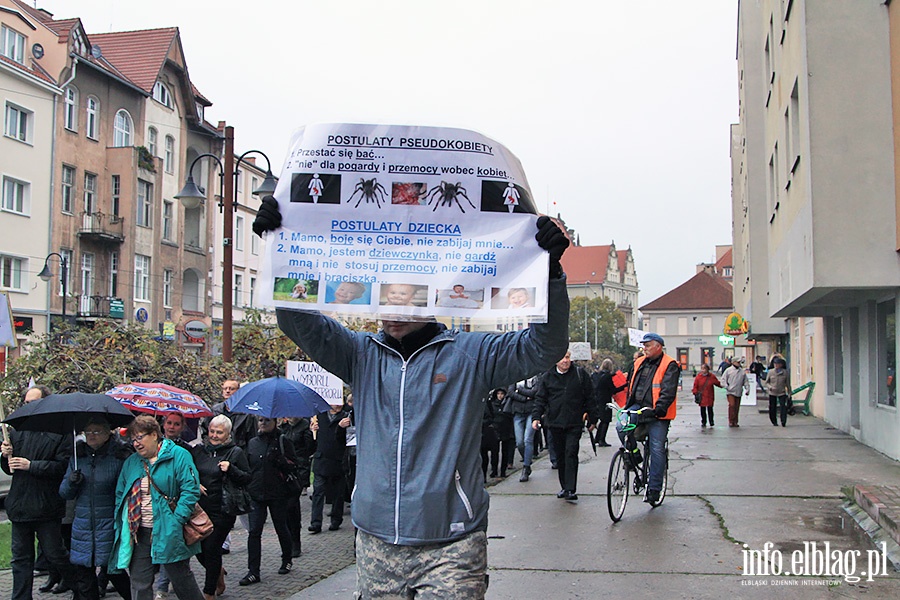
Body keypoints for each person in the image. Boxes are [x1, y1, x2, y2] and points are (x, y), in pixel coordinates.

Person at [254, 196, 569, 598]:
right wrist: (279, 247)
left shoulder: (470, 355)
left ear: (431, 291)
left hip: (452, 541)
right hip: (376, 541)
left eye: (405, 293)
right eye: (386, 294)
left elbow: (544, 346)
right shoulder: (359, 354)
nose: (394, 306)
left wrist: (550, 274)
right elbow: (298, 319)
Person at [110, 415, 204, 600]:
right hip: (139, 532)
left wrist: (176, 521)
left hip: (169, 530)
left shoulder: (178, 455)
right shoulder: (132, 462)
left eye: (140, 437)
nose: (136, 443)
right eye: (133, 439)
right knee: (139, 582)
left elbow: (190, 490)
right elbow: (121, 494)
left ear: (154, 434)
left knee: (181, 580)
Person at [1, 385, 78, 600]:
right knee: (20, 559)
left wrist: (31, 465)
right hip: (19, 505)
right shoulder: (18, 431)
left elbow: (62, 467)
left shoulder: (61, 432)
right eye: (26, 403)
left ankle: (81, 587)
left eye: (33, 402)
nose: (29, 406)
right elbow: (10, 469)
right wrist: (5, 455)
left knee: (56, 554)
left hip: (46, 506)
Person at [59, 418, 133, 600]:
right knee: (85, 578)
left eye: (96, 431)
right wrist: (71, 482)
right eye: (88, 432)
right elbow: (64, 493)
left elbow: (126, 491)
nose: (91, 436)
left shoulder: (118, 457)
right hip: (83, 527)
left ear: (108, 433)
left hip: (108, 524)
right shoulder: (78, 458)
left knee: (115, 572)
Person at [190, 415, 251, 600]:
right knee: (199, 550)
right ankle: (217, 571)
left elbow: (247, 477)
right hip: (200, 509)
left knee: (212, 549)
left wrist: (231, 469)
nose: (215, 436)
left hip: (223, 510)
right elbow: (188, 470)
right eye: (212, 431)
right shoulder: (199, 451)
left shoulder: (235, 452)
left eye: (219, 432)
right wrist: (195, 483)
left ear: (227, 434)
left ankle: (209, 593)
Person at [617, 333, 679, 505]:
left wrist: (658, 409)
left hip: (658, 412)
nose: (644, 348)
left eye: (648, 345)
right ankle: (635, 455)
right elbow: (630, 386)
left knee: (657, 448)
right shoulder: (638, 363)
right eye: (643, 345)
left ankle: (654, 488)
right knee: (620, 426)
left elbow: (668, 391)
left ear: (658, 346)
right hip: (637, 407)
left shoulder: (670, 365)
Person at [531, 351, 599, 502]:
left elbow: (590, 397)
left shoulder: (580, 375)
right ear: (555, 361)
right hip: (555, 423)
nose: (565, 361)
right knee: (560, 456)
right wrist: (536, 417)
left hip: (574, 422)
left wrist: (593, 419)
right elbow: (540, 399)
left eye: (567, 357)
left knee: (571, 453)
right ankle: (564, 486)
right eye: (562, 358)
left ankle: (570, 488)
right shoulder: (547, 377)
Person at [240, 417, 297, 586]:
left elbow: (294, 464)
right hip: (257, 493)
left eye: (266, 421)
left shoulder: (282, 440)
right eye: (260, 420)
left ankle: (287, 558)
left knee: (281, 526)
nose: (262, 424)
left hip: (277, 492)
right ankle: (253, 571)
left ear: (274, 422)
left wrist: (279, 460)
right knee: (254, 531)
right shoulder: (252, 443)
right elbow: (248, 467)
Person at [308, 404, 351, 534]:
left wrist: (342, 428)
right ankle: (315, 522)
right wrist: (312, 431)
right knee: (318, 492)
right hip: (321, 461)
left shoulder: (346, 417)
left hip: (338, 461)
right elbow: (312, 442)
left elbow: (347, 439)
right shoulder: (319, 417)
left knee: (338, 493)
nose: (337, 405)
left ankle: (336, 519)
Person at [279, 416, 315, 558]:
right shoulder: (283, 428)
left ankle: (295, 541)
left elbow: (309, 449)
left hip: (298, 470)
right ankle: (288, 542)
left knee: (292, 506)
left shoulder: (304, 426)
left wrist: (313, 434)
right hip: (283, 471)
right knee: (284, 509)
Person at [204, 380, 257, 451]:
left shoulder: (247, 414)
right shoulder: (215, 410)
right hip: (216, 452)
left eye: (231, 389)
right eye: (225, 388)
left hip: (238, 453)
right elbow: (205, 431)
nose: (227, 391)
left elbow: (252, 438)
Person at [506, 376, 539, 482]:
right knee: (519, 442)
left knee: (527, 439)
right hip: (517, 411)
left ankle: (525, 467)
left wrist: (519, 390)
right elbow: (510, 392)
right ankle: (527, 460)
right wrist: (524, 398)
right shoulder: (515, 375)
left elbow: (535, 392)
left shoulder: (536, 376)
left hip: (532, 411)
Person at [591, 359, 626, 446]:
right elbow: (613, 390)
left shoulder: (598, 375)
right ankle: (602, 440)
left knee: (602, 420)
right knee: (605, 420)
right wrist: (624, 386)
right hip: (605, 400)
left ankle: (597, 438)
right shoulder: (607, 377)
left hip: (597, 399)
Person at [493, 388, 516, 476]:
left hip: (506, 429)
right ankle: (494, 470)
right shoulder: (493, 404)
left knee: (505, 451)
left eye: (502, 394)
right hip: (495, 429)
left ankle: (503, 471)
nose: (500, 396)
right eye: (498, 394)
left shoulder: (508, 404)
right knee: (495, 452)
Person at [764, 357, 792, 427]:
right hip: (772, 392)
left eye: (778, 364)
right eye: (775, 364)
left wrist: (789, 393)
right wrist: (770, 387)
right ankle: (774, 421)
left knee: (783, 407)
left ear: (781, 365)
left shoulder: (785, 372)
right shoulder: (770, 372)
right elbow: (766, 382)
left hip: (781, 392)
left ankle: (783, 421)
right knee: (772, 407)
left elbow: (788, 384)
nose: (776, 365)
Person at [721, 357, 750, 427]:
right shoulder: (728, 371)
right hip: (730, 392)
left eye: (740, 362)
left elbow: (745, 381)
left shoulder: (742, 372)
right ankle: (731, 420)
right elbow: (723, 380)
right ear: (733, 362)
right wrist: (727, 387)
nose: (739, 364)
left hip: (738, 391)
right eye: (738, 362)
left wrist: (747, 389)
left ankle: (735, 421)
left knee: (737, 407)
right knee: (732, 405)